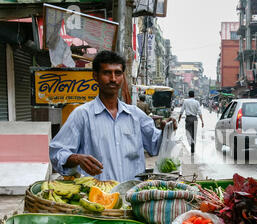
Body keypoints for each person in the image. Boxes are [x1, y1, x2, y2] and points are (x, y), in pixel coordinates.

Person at [49, 50, 177, 182]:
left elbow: (155, 146)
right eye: (106, 73)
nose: (113, 79)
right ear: (95, 76)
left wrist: (166, 130)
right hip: (97, 198)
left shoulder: (135, 115)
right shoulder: (82, 115)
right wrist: (77, 159)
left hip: (132, 197)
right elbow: (57, 152)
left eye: (118, 73)